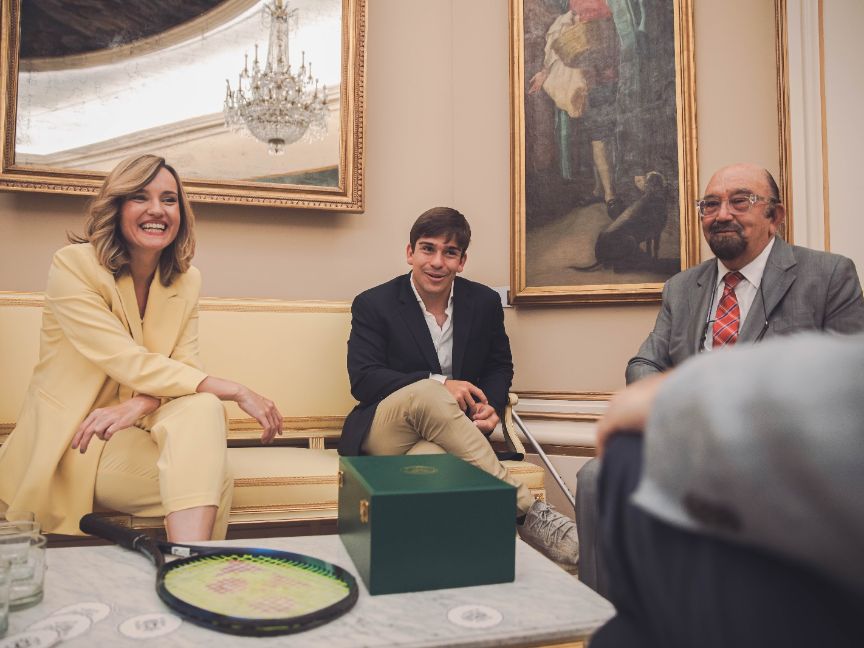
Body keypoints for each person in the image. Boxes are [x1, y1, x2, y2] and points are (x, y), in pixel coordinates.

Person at [576, 162, 864, 594]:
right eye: (710, 204)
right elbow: (643, 364)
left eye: (740, 200)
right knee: (595, 477)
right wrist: (675, 405)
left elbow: (849, 385)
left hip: (776, 457)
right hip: (690, 448)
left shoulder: (827, 276)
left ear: (776, 215)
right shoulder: (681, 287)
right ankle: (605, 617)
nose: (721, 213)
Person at [0, 155, 282, 542]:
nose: (157, 210)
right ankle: (191, 573)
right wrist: (237, 390)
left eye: (169, 199)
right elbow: (127, 361)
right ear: (116, 207)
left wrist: (140, 404)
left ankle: (184, 568)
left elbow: (183, 364)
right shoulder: (73, 266)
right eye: (139, 197)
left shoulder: (186, 280)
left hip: (140, 430)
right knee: (211, 479)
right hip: (78, 439)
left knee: (202, 406)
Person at [339, 207, 579, 568]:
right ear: (410, 253)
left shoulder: (482, 303)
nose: (437, 262)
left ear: (462, 261)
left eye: (449, 252)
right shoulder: (374, 303)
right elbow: (363, 379)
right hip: (384, 429)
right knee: (428, 390)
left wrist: (491, 409)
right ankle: (527, 511)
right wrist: (440, 383)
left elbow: (499, 366)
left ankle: (462, 575)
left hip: (447, 434)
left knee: (444, 469)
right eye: (427, 249)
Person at [589, 332, 864, 647]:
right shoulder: (683, 288)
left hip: (800, 471)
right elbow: (644, 361)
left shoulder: (823, 281)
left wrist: (672, 400)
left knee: (628, 456)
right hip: (699, 440)